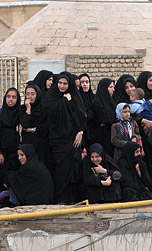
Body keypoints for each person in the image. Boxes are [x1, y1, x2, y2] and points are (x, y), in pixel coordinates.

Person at [44, 72, 87, 204]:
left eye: (65, 83)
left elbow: (80, 116)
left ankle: (72, 199)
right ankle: (60, 199)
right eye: (60, 83)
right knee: (61, 171)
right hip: (58, 141)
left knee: (73, 169)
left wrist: (80, 132)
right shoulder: (52, 96)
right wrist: (64, 101)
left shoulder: (74, 96)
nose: (62, 86)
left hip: (73, 140)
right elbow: (50, 111)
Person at [19, 83, 51, 169]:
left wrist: (33, 130)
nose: (30, 96)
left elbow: (46, 129)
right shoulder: (23, 109)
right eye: (27, 94)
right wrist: (28, 109)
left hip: (42, 145)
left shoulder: (44, 109)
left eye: (32, 94)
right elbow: (25, 124)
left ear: (38, 94)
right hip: (28, 144)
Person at [0, 87, 21, 184]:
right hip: (2, 148)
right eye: (9, 96)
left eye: (14, 97)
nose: (11, 99)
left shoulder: (19, 112)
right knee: (2, 175)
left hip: (14, 148)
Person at [91, 78, 117, 156]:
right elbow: (104, 119)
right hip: (102, 134)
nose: (113, 89)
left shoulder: (112, 101)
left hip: (111, 133)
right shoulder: (97, 102)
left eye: (113, 87)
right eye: (110, 87)